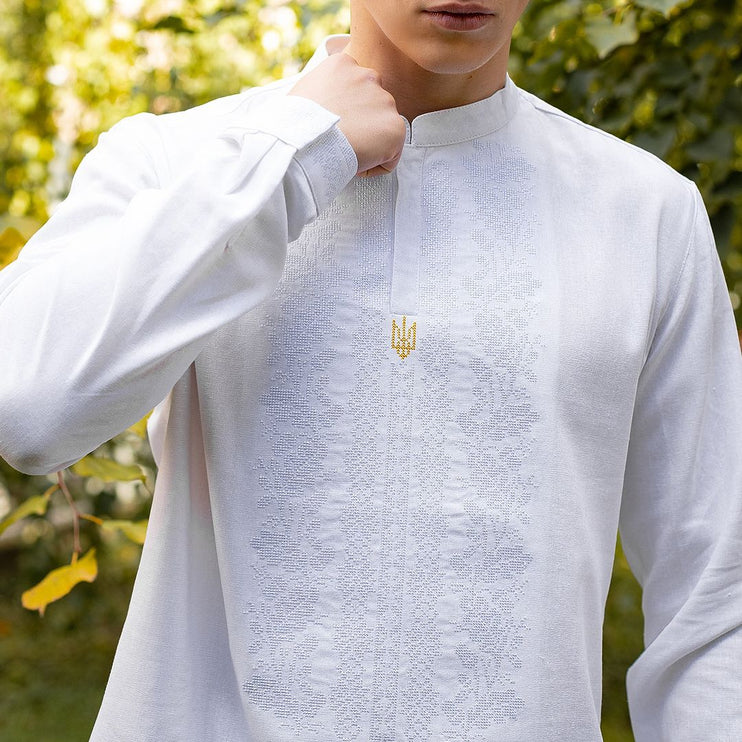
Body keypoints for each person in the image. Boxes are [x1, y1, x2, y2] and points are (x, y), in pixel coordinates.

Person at [0, 0, 740, 739]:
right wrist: (288, 155)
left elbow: (715, 598)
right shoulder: (186, 163)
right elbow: (27, 406)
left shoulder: (644, 214)